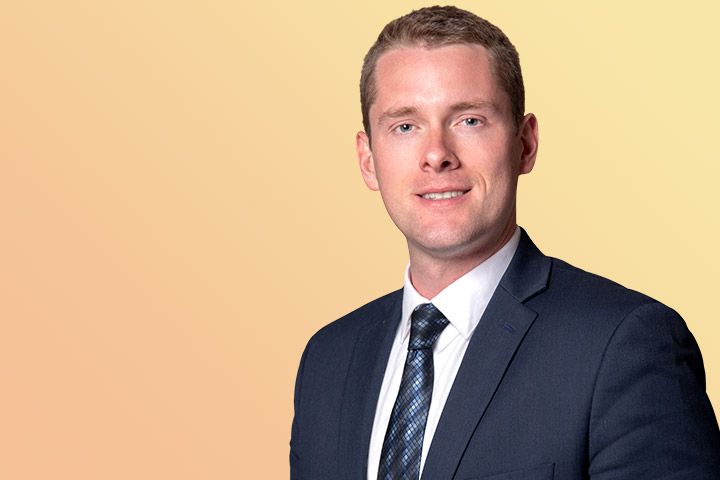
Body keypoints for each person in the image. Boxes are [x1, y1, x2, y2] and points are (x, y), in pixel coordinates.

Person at [290, 6, 720, 479]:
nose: (436, 155)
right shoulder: (327, 362)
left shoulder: (625, 346)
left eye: (469, 120)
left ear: (525, 144)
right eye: (405, 126)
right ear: (368, 159)